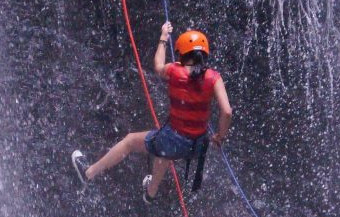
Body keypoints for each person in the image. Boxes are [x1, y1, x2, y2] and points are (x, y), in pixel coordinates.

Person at [71, 22, 232, 203]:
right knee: (163, 149)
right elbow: (226, 111)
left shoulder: (175, 71)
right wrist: (220, 136)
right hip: (196, 147)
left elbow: (157, 65)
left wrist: (163, 38)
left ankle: (88, 173)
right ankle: (150, 193)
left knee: (132, 141)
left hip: (174, 141)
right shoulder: (214, 77)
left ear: (183, 54)